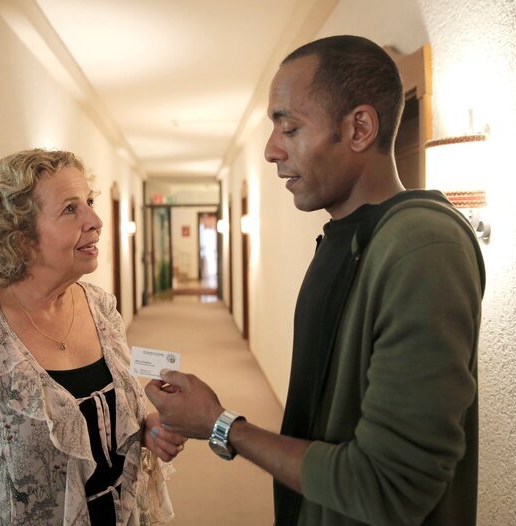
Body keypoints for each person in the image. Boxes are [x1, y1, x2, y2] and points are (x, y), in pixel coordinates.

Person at [146, 35, 485, 526]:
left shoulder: (423, 246)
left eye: (290, 126)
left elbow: (389, 485)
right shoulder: (347, 238)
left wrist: (221, 425)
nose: (271, 149)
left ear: (360, 128)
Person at [0, 149, 184, 525]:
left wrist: (148, 427)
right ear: (19, 235)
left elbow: (117, 416)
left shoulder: (102, 308)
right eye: (70, 209)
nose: (95, 220)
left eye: (89, 202)